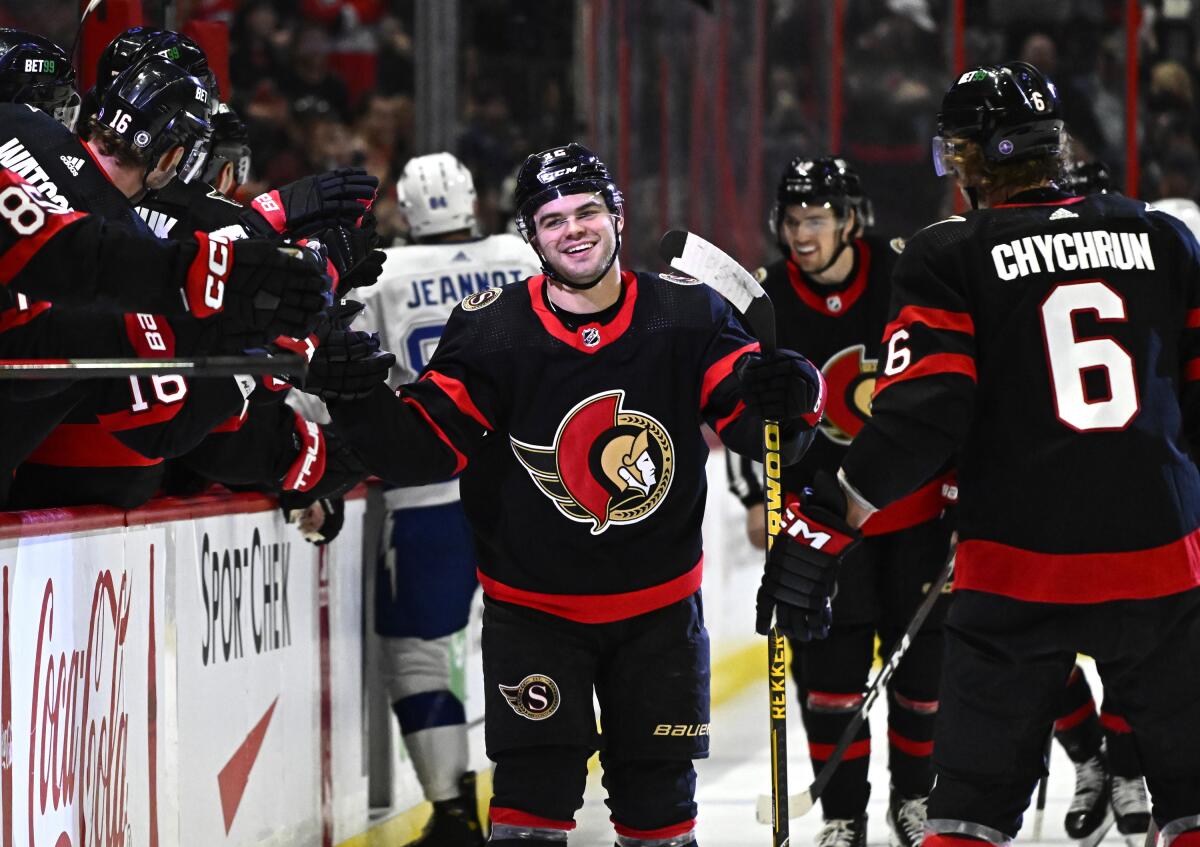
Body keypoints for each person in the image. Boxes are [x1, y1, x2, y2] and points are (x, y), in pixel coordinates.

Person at [296, 142, 826, 846]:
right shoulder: (492, 330)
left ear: (617, 215)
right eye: (552, 220)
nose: (573, 230)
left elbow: (764, 432)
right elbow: (426, 446)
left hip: (661, 618)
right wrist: (357, 395)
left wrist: (798, 396)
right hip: (534, 619)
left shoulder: (687, 314)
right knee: (529, 809)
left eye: (586, 212)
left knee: (659, 811)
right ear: (530, 237)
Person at [758, 61, 1200, 847]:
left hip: (1018, 571)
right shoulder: (1163, 237)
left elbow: (922, 416)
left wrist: (828, 520)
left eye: (960, 152)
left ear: (989, 154)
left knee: (966, 817)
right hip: (1163, 561)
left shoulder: (949, 253)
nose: (954, 170)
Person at [727, 156, 954, 847]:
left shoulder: (904, 273)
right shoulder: (763, 300)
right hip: (818, 522)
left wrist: (958, 486)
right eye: (792, 220)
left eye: (817, 219)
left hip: (914, 516)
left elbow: (950, 384)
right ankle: (842, 814)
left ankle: (913, 800)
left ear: (851, 220)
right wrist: (756, 495)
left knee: (922, 679)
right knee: (829, 683)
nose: (802, 233)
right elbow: (740, 411)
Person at [357, 151, 540, 845]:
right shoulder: (523, 259)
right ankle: (532, 799)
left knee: (419, 651)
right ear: (473, 200)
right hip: (532, 486)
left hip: (426, 489)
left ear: (404, 209)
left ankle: (454, 809)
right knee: (541, 639)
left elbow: (327, 391)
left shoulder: (383, 273)